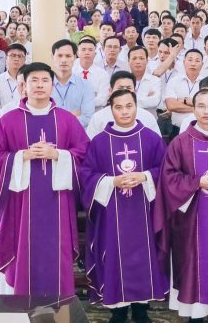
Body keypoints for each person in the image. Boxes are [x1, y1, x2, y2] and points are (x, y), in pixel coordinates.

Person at [0, 62, 91, 301]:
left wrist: (59, 155)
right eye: (34, 80)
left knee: (55, 251)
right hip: (21, 203)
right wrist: (21, 156)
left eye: (45, 80)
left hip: (57, 203)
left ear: (52, 85)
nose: (40, 85)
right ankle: (21, 300)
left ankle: (58, 304)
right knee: (23, 248)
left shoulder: (66, 120)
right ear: (24, 85)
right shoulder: (8, 120)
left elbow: (85, 155)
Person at [153, 88, 208, 321]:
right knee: (193, 258)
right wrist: (196, 183)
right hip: (190, 218)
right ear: (193, 110)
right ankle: (194, 313)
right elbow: (169, 178)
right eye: (201, 106)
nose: (206, 111)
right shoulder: (180, 143)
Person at [81, 89, 167, 322]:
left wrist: (145, 176)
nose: (124, 112)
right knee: (114, 257)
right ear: (111, 110)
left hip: (144, 212)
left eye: (129, 106)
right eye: (118, 107)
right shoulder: (100, 142)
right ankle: (118, 310)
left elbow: (166, 171)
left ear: (136, 107)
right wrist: (111, 181)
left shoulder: (151, 138)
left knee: (144, 256)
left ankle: (141, 309)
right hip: (111, 214)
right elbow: (87, 174)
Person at [87, 71, 161, 138]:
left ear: (135, 91)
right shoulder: (98, 117)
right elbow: (91, 144)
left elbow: (157, 143)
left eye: (128, 88)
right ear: (110, 91)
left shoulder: (147, 117)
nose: (124, 92)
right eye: (120, 88)